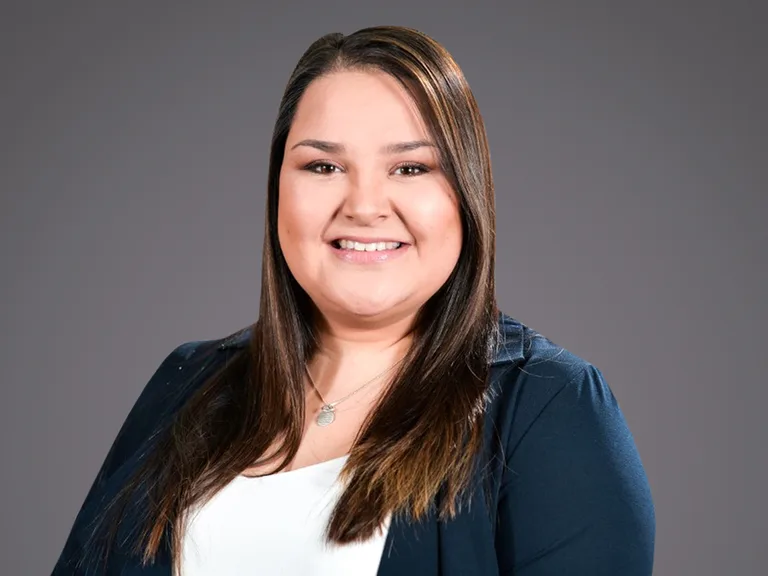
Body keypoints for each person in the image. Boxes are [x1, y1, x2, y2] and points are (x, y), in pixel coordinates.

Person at [52, 25, 655, 576]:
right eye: (322, 165)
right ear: (277, 192)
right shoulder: (186, 385)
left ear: (466, 197)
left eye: (411, 169)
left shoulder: (549, 408)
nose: (364, 205)